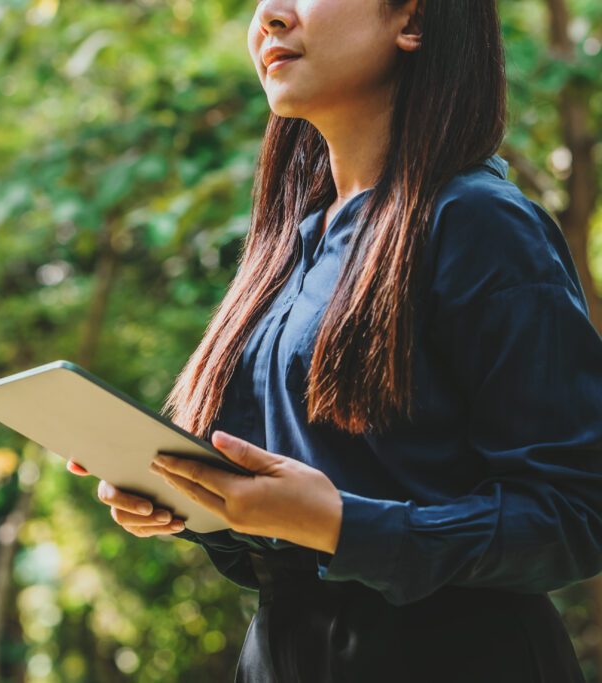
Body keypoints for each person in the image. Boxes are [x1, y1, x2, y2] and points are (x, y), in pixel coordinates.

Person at [67, 0, 602, 680]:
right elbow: (281, 530)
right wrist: (196, 504)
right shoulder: (290, 244)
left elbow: (576, 515)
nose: (269, 15)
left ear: (411, 21)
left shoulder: (480, 225)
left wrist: (344, 526)